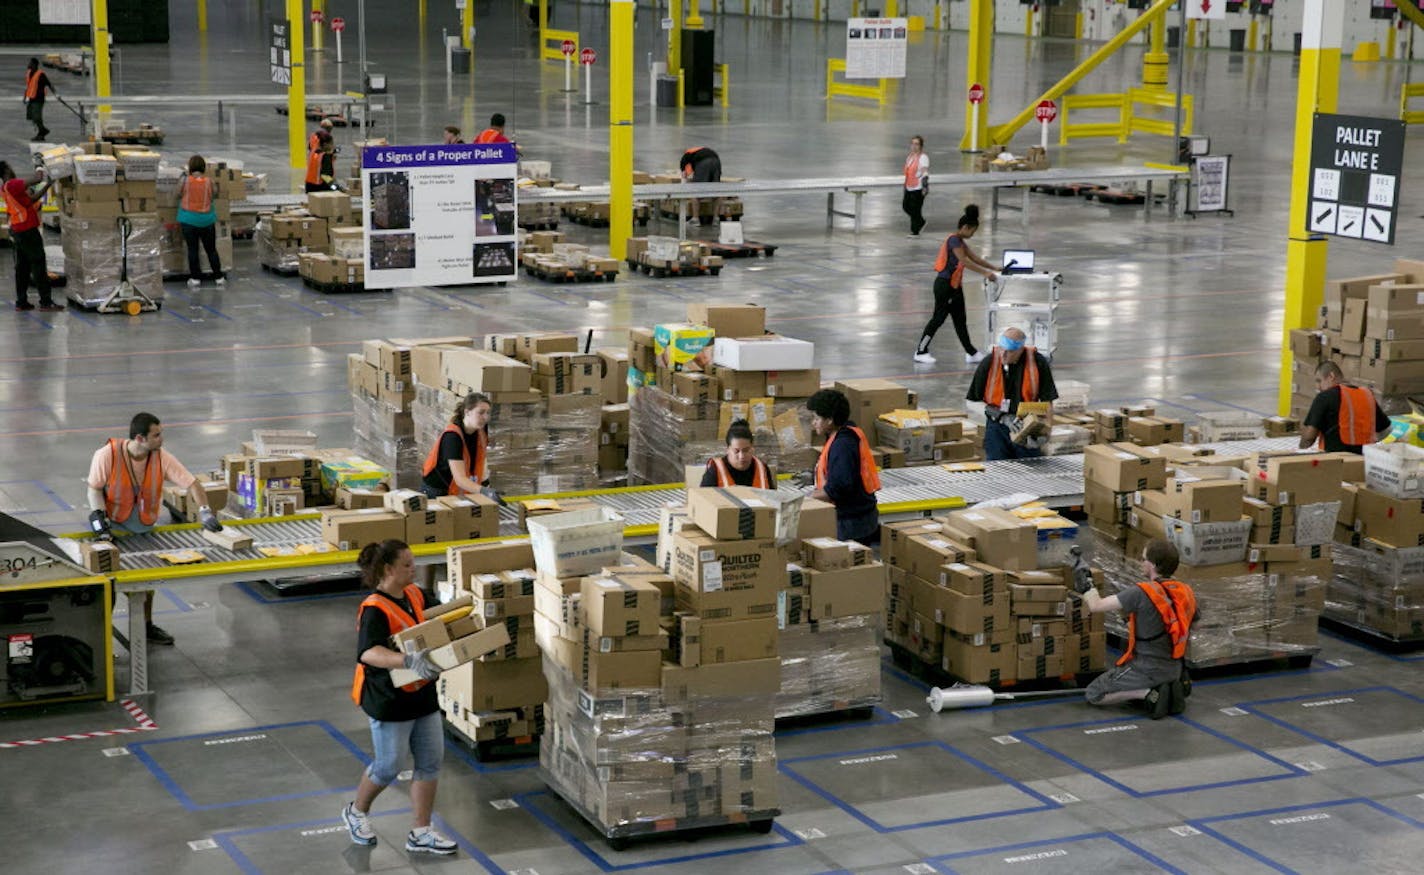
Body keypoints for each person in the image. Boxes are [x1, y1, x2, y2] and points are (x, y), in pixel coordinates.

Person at [341, 539, 457, 855]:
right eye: (407, 564)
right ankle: (357, 811)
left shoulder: (414, 594)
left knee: (430, 761)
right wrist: (407, 660)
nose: (414, 568)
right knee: (388, 765)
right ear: (388, 570)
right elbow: (368, 652)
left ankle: (421, 831)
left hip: (421, 693)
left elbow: (436, 619)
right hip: (387, 698)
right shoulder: (374, 608)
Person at [86, 412, 223, 646]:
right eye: (156, 435)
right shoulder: (107, 455)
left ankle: (146, 627)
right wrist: (101, 521)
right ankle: (100, 636)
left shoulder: (161, 458)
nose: (162, 439)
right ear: (140, 438)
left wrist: (205, 512)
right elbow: (94, 488)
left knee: (147, 583)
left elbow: (192, 483)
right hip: (113, 529)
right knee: (109, 583)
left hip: (143, 529)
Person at [1076, 539, 1197, 720]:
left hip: (1146, 668)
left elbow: (1095, 605)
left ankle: (1147, 693)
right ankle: (1169, 685)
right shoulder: (1185, 591)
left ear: (1154, 565)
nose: (1141, 563)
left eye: (1143, 559)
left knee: (1094, 694)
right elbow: (1184, 623)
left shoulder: (1141, 592)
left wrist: (1086, 583)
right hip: (1174, 667)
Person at [914, 204, 996, 365]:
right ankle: (920, 350)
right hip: (945, 286)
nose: (972, 234)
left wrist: (994, 268)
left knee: (960, 320)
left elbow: (975, 258)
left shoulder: (961, 242)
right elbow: (964, 261)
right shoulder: (953, 240)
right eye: (972, 231)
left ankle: (971, 352)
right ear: (965, 227)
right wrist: (985, 273)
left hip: (955, 286)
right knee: (938, 318)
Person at [965, 327, 1059, 461]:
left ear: (1021, 350)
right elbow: (971, 401)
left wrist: (1044, 434)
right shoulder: (989, 362)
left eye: (1009, 352)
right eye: (1001, 349)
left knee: (1031, 470)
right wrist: (1002, 417)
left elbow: (1047, 402)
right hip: (997, 426)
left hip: (1026, 425)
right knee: (998, 470)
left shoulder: (1037, 363)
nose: (1002, 354)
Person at [805, 389, 881, 543]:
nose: (813, 423)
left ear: (830, 420)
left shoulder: (842, 445)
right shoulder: (847, 431)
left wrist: (804, 500)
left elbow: (838, 487)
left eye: (816, 418)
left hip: (852, 523)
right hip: (860, 516)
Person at [2, 161, 63, 312]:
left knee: (22, 267)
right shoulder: (12, 185)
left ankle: (21, 302)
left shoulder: (6, 188)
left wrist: (49, 184)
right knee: (39, 264)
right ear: (7, 170)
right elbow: (37, 178)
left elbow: (32, 199)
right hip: (27, 230)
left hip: (18, 230)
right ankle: (46, 302)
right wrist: (39, 165)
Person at [421, 392, 504, 502]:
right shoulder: (452, 437)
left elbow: (481, 461)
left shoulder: (481, 431)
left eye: (488, 413)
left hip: (458, 488)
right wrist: (483, 491)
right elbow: (460, 479)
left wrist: (486, 486)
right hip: (437, 490)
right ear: (467, 412)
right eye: (481, 412)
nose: (485, 417)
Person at [1300, 361, 1390, 453]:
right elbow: (1386, 430)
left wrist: (1299, 451)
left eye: (1319, 381)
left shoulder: (1324, 397)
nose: (1318, 387)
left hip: (1336, 460)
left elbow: (1308, 438)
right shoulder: (1367, 395)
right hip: (1364, 460)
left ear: (1331, 376)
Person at [177, 155, 224, 288]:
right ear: (204, 167)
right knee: (211, 250)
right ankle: (218, 277)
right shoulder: (209, 182)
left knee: (193, 250)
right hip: (207, 221)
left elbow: (177, 194)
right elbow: (215, 194)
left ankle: (195, 278)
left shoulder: (185, 181)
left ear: (190, 167)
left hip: (189, 221)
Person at [700, 419, 773, 488]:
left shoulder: (762, 469)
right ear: (728, 450)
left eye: (746, 450)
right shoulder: (715, 470)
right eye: (736, 451)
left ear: (752, 448)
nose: (741, 456)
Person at [679, 146, 722, 227]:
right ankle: (716, 219)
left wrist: (686, 182)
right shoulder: (699, 150)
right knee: (717, 191)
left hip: (704, 163)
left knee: (695, 190)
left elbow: (685, 174)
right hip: (716, 161)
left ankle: (695, 219)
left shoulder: (686, 156)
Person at [901, 135, 929, 238]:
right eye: (912, 143)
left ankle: (915, 231)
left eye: (917, 144)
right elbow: (907, 172)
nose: (914, 146)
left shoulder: (923, 157)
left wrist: (925, 186)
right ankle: (921, 222)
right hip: (909, 186)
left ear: (921, 146)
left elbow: (924, 172)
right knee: (905, 206)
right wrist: (904, 186)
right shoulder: (910, 157)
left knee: (915, 209)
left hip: (918, 188)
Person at [23, 58, 55, 141]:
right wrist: (25, 96)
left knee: (37, 117)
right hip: (31, 98)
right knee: (32, 116)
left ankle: (43, 131)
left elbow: (49, 84)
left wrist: (56, 94)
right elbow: (28, 86)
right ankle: (41, 134)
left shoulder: (40, 74)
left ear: (34, 65)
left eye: (30, 63)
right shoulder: (29, 73)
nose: (28, 64)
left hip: (39, 99)